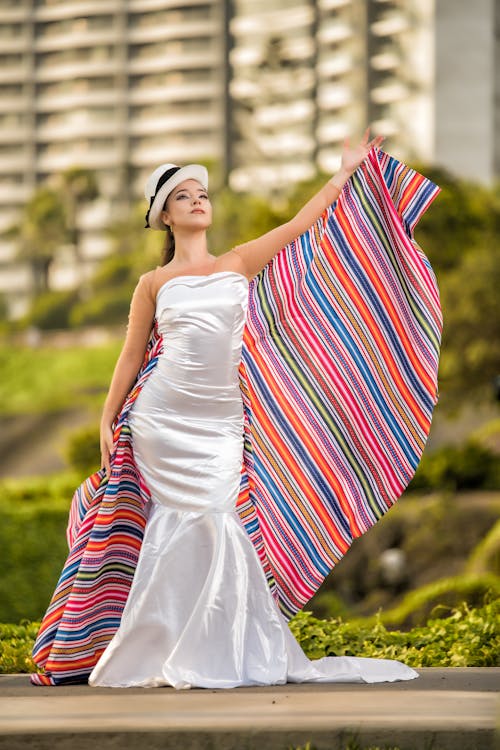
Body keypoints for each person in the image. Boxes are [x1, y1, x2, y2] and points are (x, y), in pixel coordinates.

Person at [31, 130, 442, 687]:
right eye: (184, 195)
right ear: (165, 217)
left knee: (219, 521)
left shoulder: (236, 262)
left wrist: (344, 175)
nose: (198, 200)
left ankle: (214, 647)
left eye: (202, 192)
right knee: (173, 525)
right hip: (160, 419)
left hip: (223, 423)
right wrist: (108, 415)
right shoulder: (153, 282)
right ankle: (159, 645)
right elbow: (131, 355)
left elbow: (302, 226)